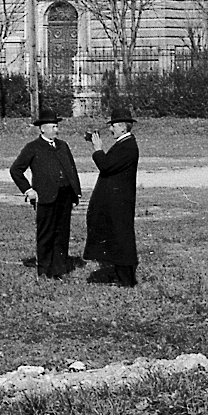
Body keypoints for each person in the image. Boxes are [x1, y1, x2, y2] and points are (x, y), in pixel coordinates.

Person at [9, 106, 81, 279]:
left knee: (62, 233)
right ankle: (44, 270)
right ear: (42, 128)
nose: (56, 130)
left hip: (64, 196)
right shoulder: (33, 147)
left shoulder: (63, 146)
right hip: (45, 197)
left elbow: (71, 169)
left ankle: (59, 269)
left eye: (57, 126)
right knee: (46, 234)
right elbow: (16, 170)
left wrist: (75, 192)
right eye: (53, 126)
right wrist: (28, 190)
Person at [80, 108, 140, 287]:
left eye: (113, 126)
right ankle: (122, 276)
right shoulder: (124, 144)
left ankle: (126, 280)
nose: (110, 129)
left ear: (122, 127)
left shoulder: (128, 146)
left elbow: (105, 166)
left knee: (122, 238)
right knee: (117, 237)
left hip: (119, 201)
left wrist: (98, 149)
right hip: (117, 200)